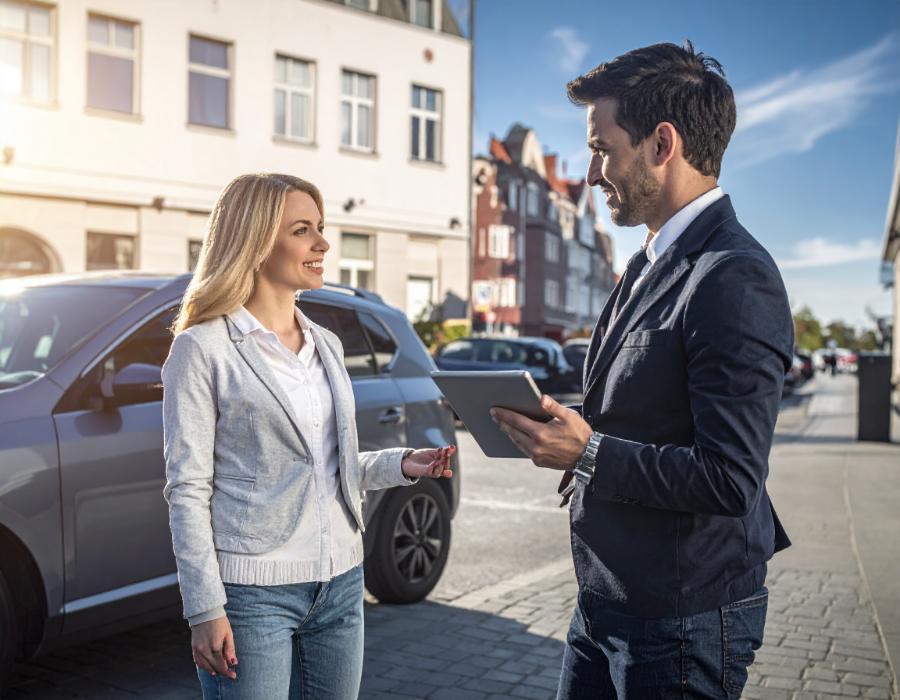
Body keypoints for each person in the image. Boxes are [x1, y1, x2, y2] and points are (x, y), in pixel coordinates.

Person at [490, 42, 793, 698]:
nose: (593, 170)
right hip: (607, 600)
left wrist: (591, 451)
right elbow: (641, 406)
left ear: (662, 144)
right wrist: (563, 426)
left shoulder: (734, 276)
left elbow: (731, 478)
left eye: (603, 147)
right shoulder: (649, 260)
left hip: (679, 619)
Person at [162, 173, 455, 700]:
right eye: (303, 230)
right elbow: (187, 489)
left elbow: (331, 465)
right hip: (253, 595)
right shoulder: (202, 349)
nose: (323, 243)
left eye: (320, 228)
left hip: (341, 582)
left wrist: (403, 463)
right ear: (254, 241)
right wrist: (204, 608)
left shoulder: (326, 344)